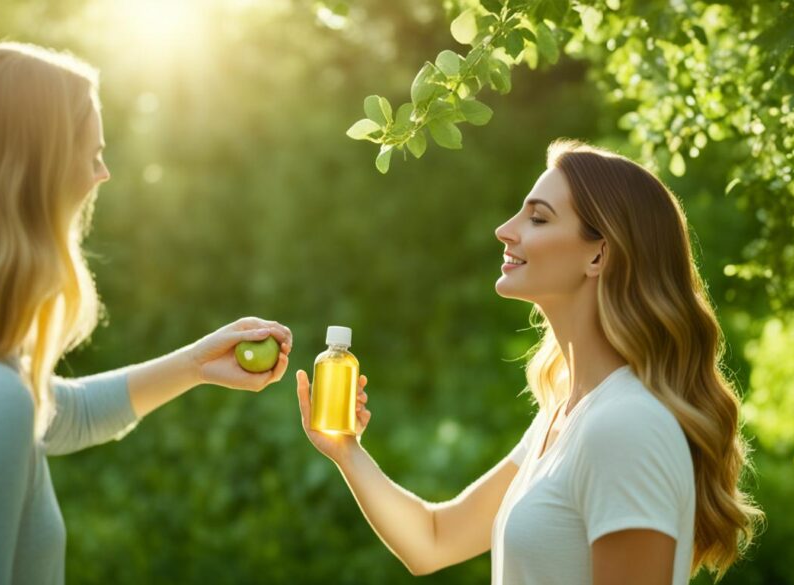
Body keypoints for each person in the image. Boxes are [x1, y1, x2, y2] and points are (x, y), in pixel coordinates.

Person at [0, 42, 292, 584]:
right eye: (91, 155)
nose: (102, 174)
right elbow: (8, 413)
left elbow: (63, 413)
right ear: (28, 181)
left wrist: (197, 365)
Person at [296, 139, 763, 584]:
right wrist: (347, 451)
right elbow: (433, 541)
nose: (505, 229)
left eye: (538, 219)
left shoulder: (626, 425)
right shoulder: (563, 419)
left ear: (599, 254)